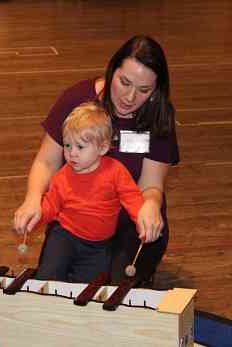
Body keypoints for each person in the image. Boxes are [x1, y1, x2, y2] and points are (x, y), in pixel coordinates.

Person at [14, 35, 179, 286]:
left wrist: (151, 206)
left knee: (113, 288)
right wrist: (33, 199)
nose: (130, 97)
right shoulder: (77, 99)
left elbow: (151, 185)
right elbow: (46, 162)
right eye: (124, 82)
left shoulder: (159, 115)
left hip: (130, 219)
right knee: (53, 280)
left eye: (144, 90)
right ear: (112, 70)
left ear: (156, 90)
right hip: (76, 216)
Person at [15, 101, 144, 283]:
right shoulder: (62, 176)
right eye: (67, 146)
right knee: (48, 276)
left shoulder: (116, 172)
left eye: (80, 147)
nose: (72, 153)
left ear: (103, 147)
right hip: (65, 236)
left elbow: (132, 198)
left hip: (99, 246)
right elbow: (51, 205)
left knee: (89, 288)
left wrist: (142, 218)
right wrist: (35, 217)